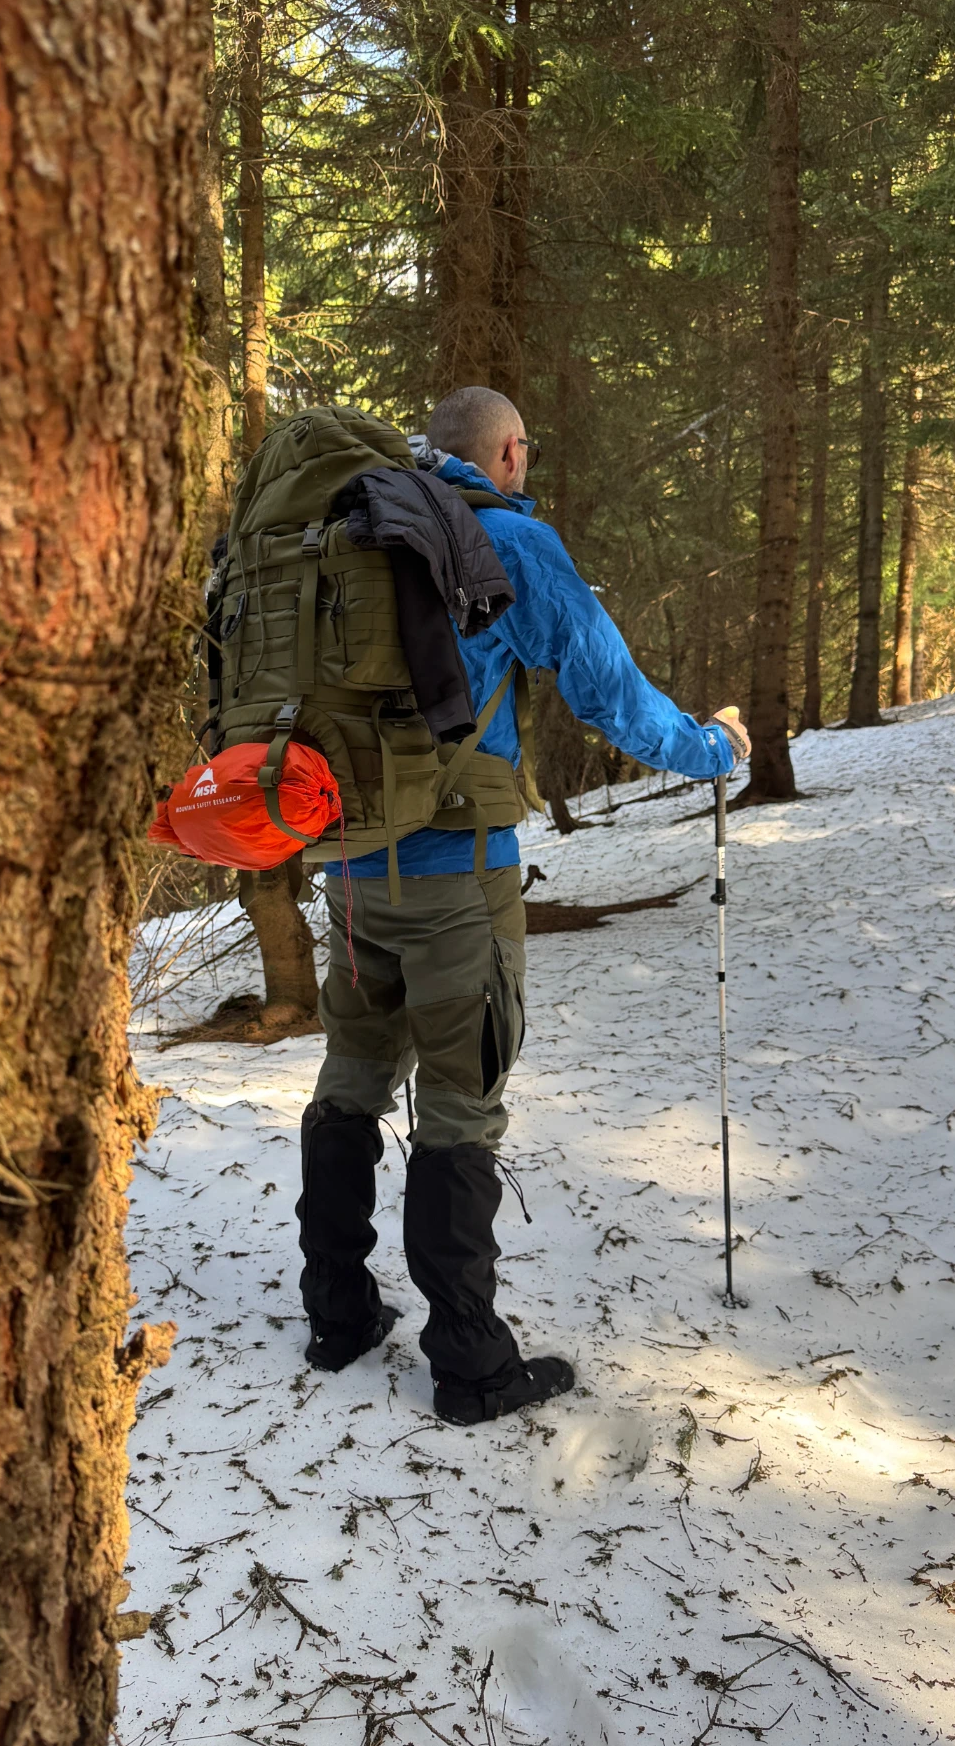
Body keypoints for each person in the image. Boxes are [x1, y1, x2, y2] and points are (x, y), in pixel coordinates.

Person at [298, 385, 750, 1425]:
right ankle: (469, 1362)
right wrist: (713, 750)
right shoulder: (504, 541)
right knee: (461, 1101)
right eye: (525, 450)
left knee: (352, 1076)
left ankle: (337, 1311)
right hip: (461, 875)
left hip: (352, 871)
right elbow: (610, 690)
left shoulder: (347, 535)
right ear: (507, 451)